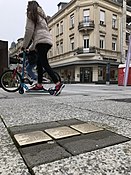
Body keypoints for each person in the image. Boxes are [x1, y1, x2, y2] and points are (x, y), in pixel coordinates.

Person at [22, 1, 65, 95]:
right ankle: (39, 84)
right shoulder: (42, 16)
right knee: (39, 64)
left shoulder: (31, 14)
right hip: (46, 41)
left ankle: (58, 83)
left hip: (42, 42)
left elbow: (29, 31)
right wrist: (30, 48)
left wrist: (24, 46)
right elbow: (38, 36)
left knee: (44, 63)